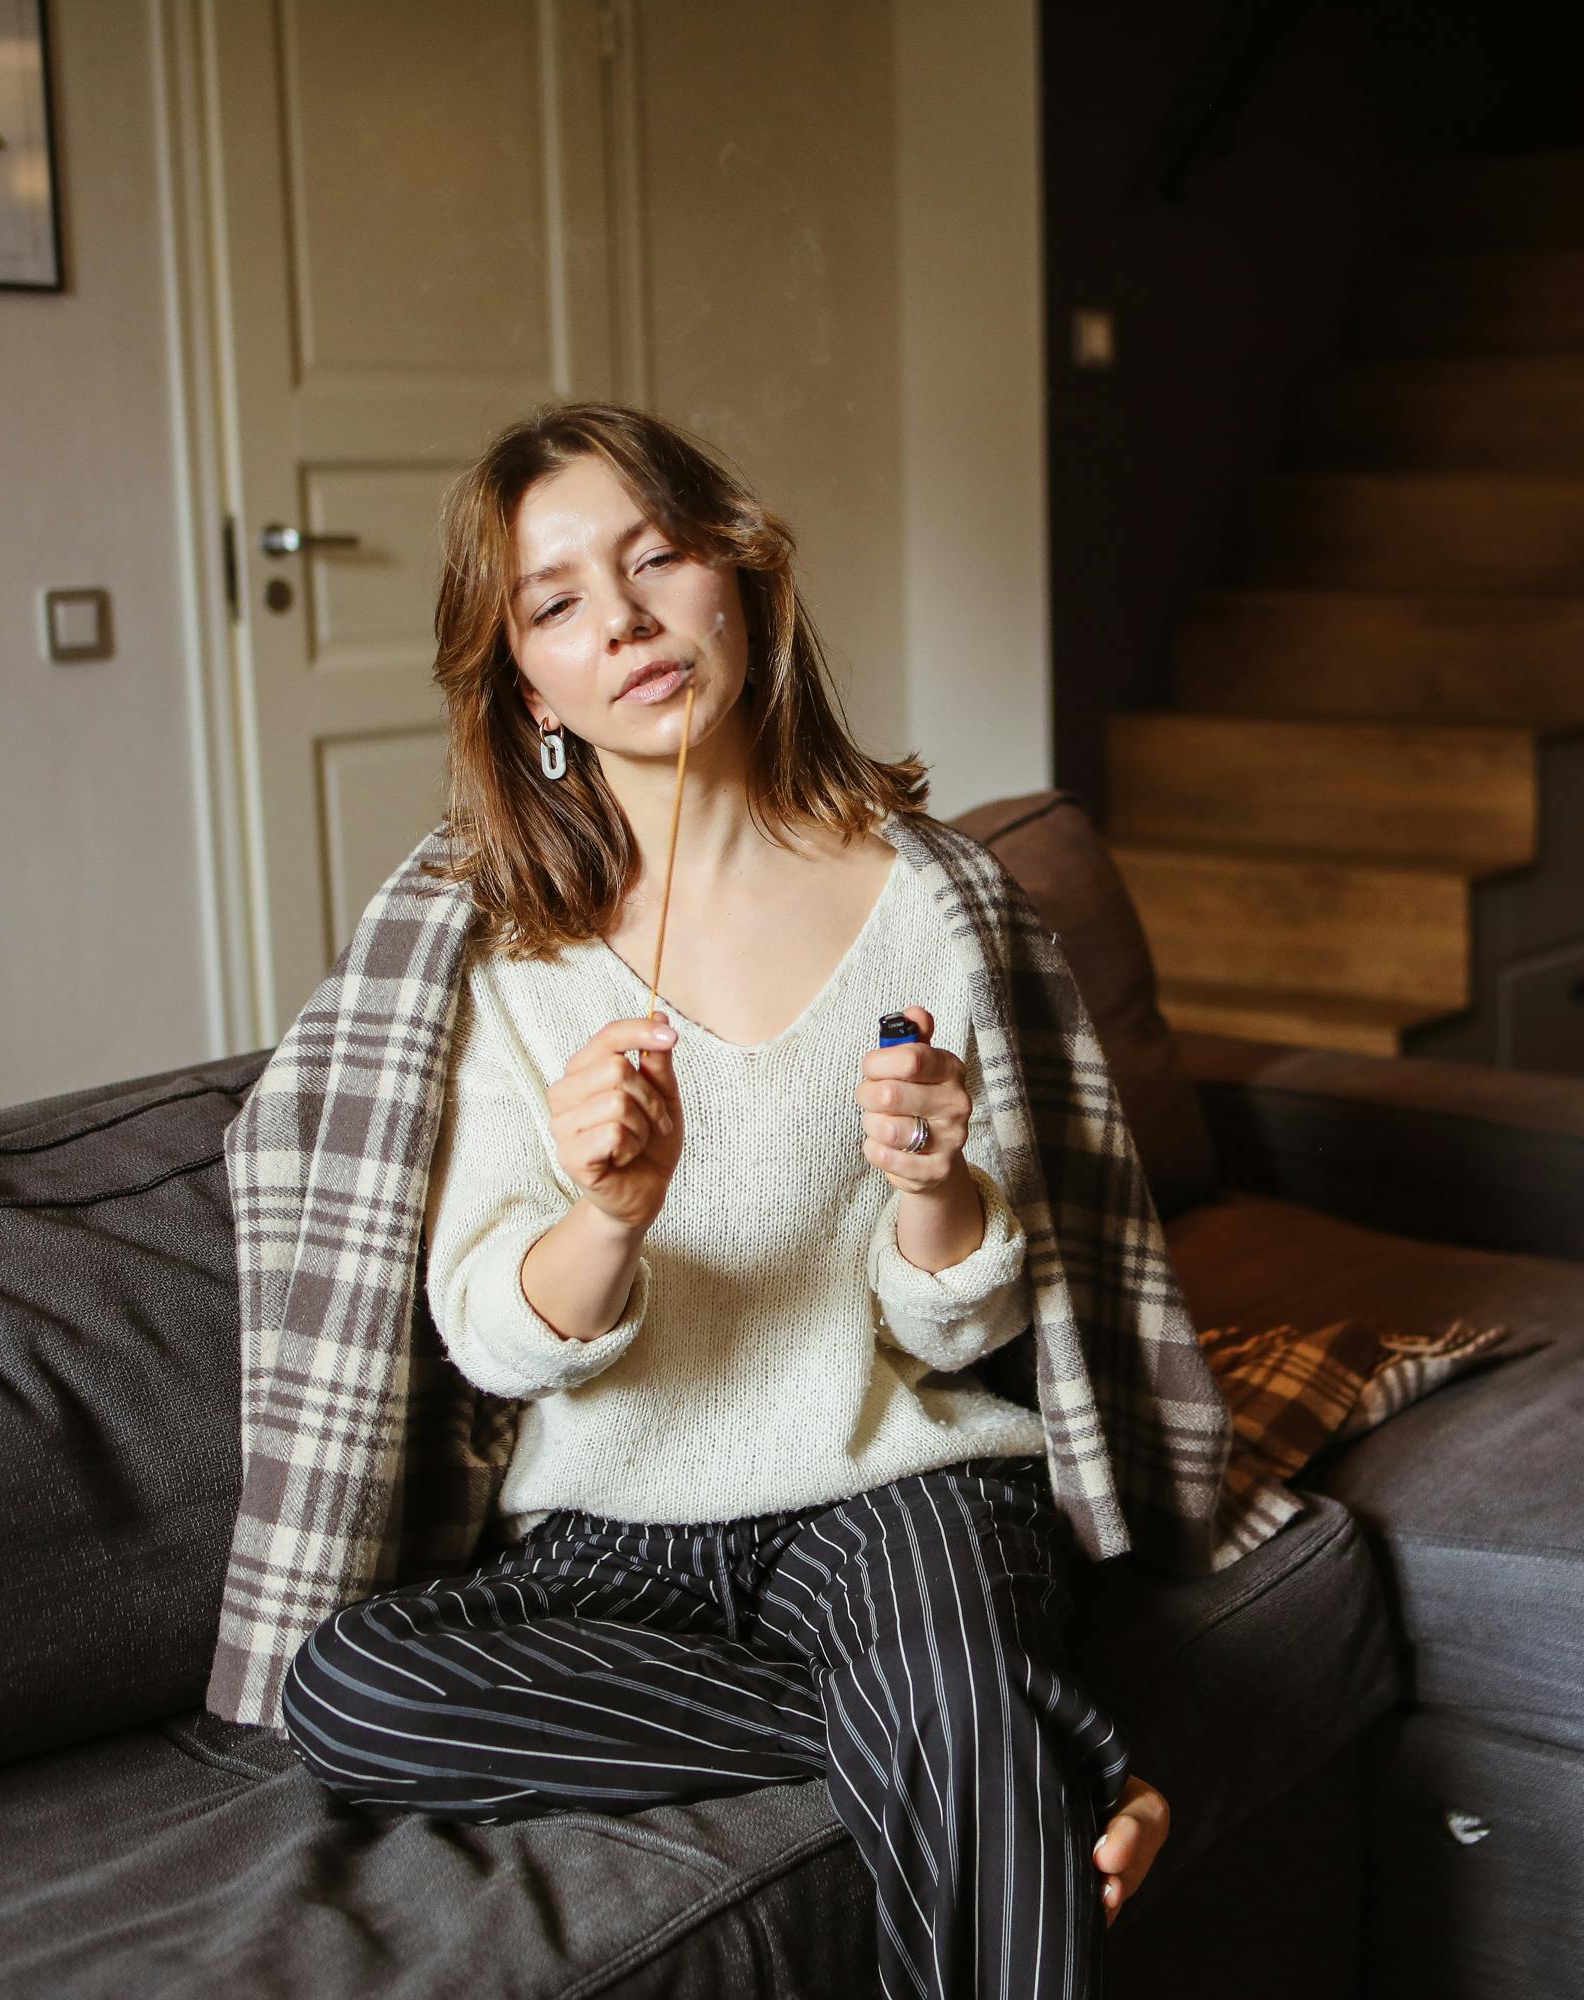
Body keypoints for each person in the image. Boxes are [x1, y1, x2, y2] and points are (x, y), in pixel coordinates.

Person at [274, 403, 1173, 2000]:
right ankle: (993, 1721)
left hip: (894, 1484)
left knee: (938, 1664)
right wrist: (605, 1215)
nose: (619, 622)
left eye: (655, 559)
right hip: (613, 1531)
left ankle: (950, 1702)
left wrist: (938, 1191)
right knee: (351, 1690)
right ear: (524, 684)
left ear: (739, 577)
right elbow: (488, 1333)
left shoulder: (934, 906)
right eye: (555, 604)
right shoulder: (496, 951)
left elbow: (967, 1319)